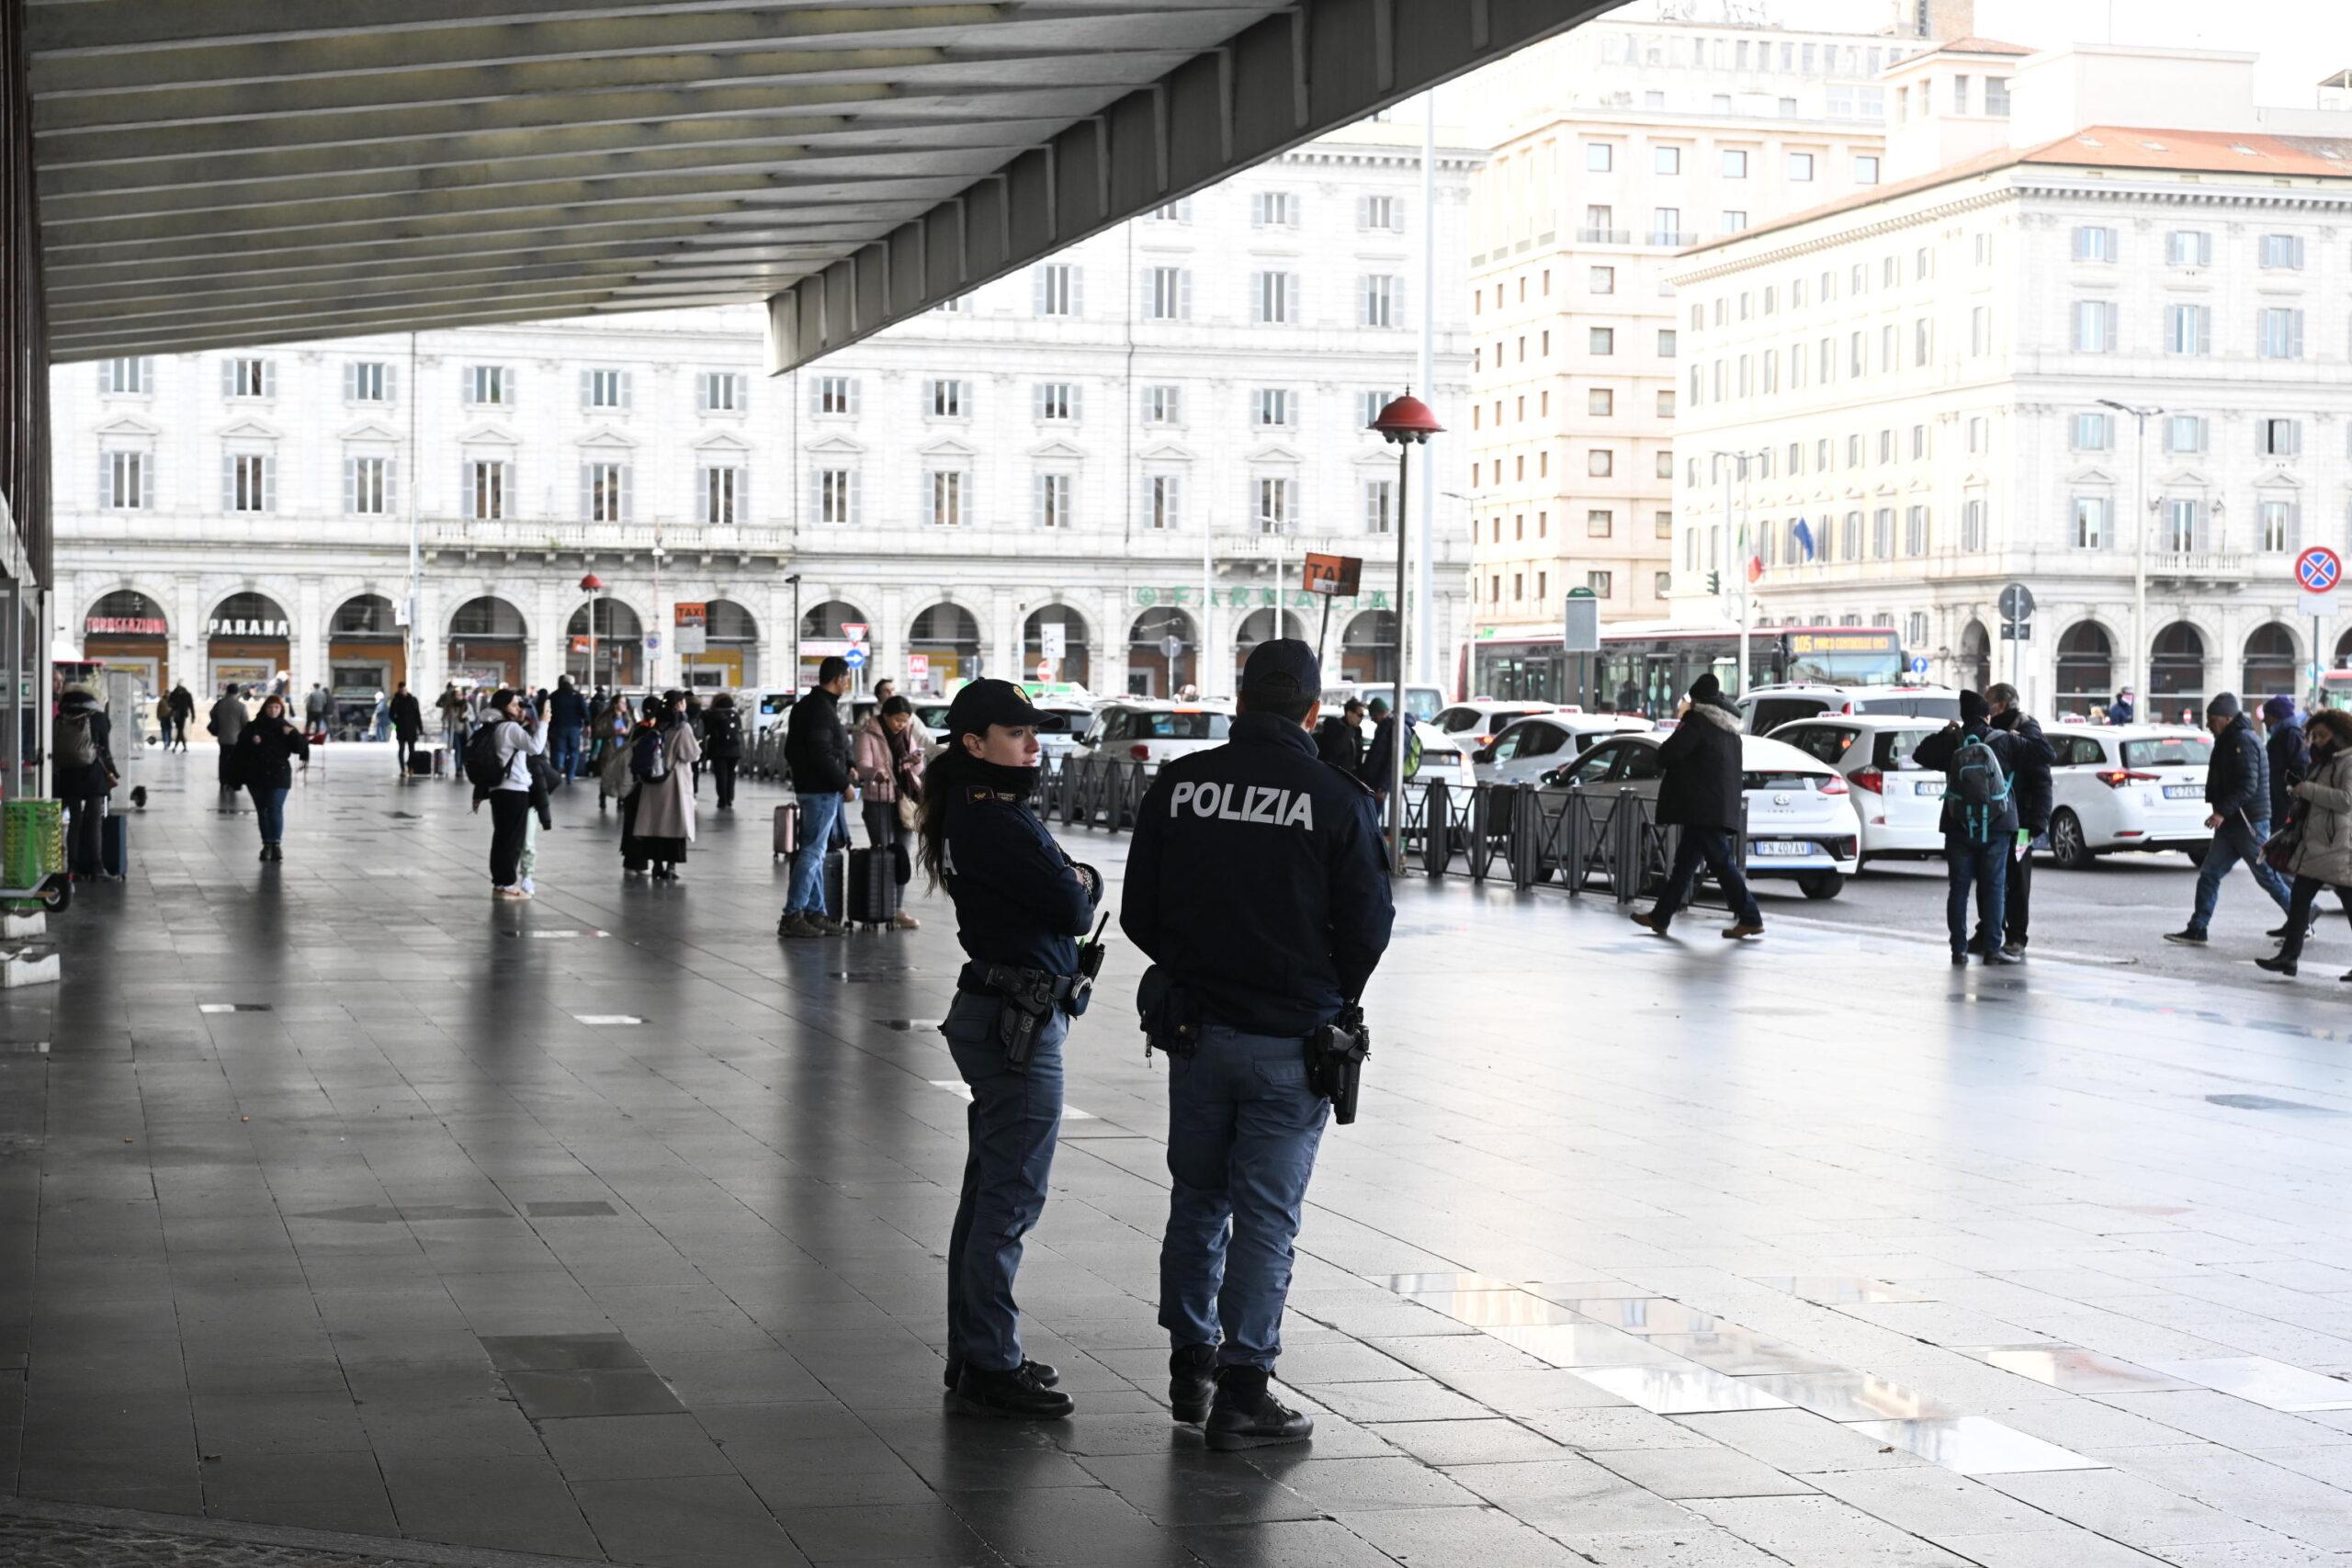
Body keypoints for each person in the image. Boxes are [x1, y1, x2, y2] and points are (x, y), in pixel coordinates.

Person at [1123, 639, 1396, 1451]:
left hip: (1195, 1031)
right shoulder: (1336, 797)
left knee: (1197, 1200)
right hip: (1291, 1041)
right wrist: (1322, 988)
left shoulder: (1180, 785)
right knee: (1266, 1219)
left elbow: (1140, 909)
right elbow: (1370, 927)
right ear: (1313, 709)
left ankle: (1189, 1362)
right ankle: (1245, 1389)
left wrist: (1198, 966)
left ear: (1240, 700)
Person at [916, 679, 1102, 1419]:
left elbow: (1066, 892)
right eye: (1017, 732)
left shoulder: (974, 809)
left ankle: (975, 1351)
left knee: (988, 1189)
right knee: (1010, 1194)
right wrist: (1078, 878)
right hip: (1017, 1019)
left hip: (996, 1008)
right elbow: (1074, 901)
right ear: (972, 742)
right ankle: (993, 1360)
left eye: (1036, 731)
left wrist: (1071, 881)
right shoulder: (997, 821)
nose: (1033, 743)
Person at [1632, 673, 1763, 940]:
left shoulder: (1696, 722)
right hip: (1716, 806)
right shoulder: (1730, 729)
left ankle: (1750, 916)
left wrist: (1684, 719)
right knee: (1684, 864)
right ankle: (1661, 916)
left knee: (1721, 862)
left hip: (1702, 807)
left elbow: (1667, 754)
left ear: (1697, 700)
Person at [1915, 690, 2040, 965]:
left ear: (1963, 716)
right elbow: (2045, 754)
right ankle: (1993, 949)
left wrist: (1945, 733)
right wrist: (2023, 732)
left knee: (1958, 888)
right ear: (1987, 715)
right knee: (1994, 887)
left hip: (1959, 825)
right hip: (1997, 825)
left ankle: (1958, 949)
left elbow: (1919, 754)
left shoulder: (1954, 741)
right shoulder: (2004, 740)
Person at [2166, 693, 2295, 946]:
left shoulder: (2242, 741)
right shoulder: (2230, 739)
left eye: (2212, 719)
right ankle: (2198, 928)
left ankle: (2302, 916)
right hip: (2233, 823)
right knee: (2209, 875)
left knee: (2266, 876)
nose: (2208, 725)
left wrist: (2221, 812)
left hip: (2248, 823)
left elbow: (2248, 784)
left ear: (2226, 718)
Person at [778, 655, 854, 939]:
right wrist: (843, 782)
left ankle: (815, 912)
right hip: (821, 790)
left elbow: (792, 751)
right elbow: (820, 751)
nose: (847, 683)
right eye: (847, 678)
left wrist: (848, 765)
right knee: (812, 853)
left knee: (816, 851)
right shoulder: (822, 710)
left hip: (810, 787)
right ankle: (792, 914)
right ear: (838, 679)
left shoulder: (806, 707)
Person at [1986, 682, 2052, 958]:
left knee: (2018, 879)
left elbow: (2043, 774)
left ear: (2001, 705)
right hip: (2001, 818)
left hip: (2023, 821)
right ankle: (1990, 930)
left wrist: (2038, 821)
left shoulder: (2026, 729)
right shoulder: (1993, 732)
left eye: (1989, 702)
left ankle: (2016, 936)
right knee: (1994, 878)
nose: (1987, 708)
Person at [853, 694, 926, 930]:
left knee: (902, 856)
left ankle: (896, 909)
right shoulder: (869, 733)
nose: (901, 724)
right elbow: (862, 765)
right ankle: (877, 907)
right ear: (885, 716)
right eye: (898, 720)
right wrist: (876, 772)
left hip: (903, 800)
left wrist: (916, 759)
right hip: (878, 800)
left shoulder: (906, 734)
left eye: (905, 720)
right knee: (883, 853)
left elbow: (918, 767)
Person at [469, 688, 543, 898]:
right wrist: (544, 721)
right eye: (514, 704)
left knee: (502, 838)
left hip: (498, 790)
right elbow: (536, 747)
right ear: (503, 707)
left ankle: (501, 882)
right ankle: (507, 884)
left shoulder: (493, 727)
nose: (519, 708)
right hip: (514, 789)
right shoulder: (510, 728)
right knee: (511, 840)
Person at [630, 692, 700, 883]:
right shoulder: (682, 727)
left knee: (655, 826)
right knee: (673, 826)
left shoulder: (658, 723)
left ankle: (657, 866)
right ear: (679, 704)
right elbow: (691, 754)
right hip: (673, 782)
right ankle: (670, 867)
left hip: (653, 782)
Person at [232, 694, 309, 862]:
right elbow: (239, 747)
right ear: (264, 708)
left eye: (276, 707)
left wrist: (292, 735)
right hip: (256, 774)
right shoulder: (253, 727)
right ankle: (266, 844)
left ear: (281, 709)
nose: (273, 710)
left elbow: (300, 748)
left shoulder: (285, 727)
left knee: (274, 807)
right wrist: (252, 741)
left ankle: (276, 844)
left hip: (279, 774)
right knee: (263, 810)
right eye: (270, 707)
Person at [54, 682, 118, 878]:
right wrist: (113, 772)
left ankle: (72, 867)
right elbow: (105, 750)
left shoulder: (60, 717)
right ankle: (97, 867)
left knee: (74, 820)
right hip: (93, 775)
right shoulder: (98, 717)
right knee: (95, 821)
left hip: (69, 774)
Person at [702, 691, 744, 811]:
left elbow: (707, 730)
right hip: (734, 750)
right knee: (731, 774)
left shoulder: (713, 715)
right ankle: (730, 798)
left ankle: (722, 800)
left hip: (718, 750)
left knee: (721, 775)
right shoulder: (735, 715)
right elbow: (739, 731)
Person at [207, 683, 248, 796]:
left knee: (223, 759)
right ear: (237, 692)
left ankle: (223, 781)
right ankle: (232, 782)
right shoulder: (241, 706)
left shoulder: (220, 704)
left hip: (223, 737)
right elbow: (245, 723)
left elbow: (211, 714)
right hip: (236, 739)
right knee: (234, 761)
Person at [548, 673, 590, 781]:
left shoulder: (554, 695)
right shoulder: (577, 695)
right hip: (574, 727)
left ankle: (558, 771)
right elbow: (585, 712)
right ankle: (570, 776)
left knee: (558, 750)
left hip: (557, 727)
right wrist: (588, 725)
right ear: (572, 683)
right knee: (574, 751)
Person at [1314, 698, 1365, 773]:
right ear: (1349, 713)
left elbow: (1358, 756)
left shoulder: (1357, 730)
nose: (1361, 719)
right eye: (1360, 715)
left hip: (1351, 775)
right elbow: (1336, 749)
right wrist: (1349, 730)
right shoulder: (1334, 724)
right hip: (1333, 773)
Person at [389, 682, 424, 776]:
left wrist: (420, 728)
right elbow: (391, 714)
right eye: (401, 690)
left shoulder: (413, 700)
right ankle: (402, 769)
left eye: (404, 690)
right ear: (399, 690)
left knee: (412, 750)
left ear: (406, 689)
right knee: (401, 749)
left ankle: (410, 767)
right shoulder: (396, 700)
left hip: (412, 729)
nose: (403, 692)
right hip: (401, 729)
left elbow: (417, 715)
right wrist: (396, 721)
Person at [166, 682, 194, 750]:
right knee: (180, 730)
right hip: (181, 715)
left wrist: (174, 706)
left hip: (177, 715)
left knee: (180, 730)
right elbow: (191, 706)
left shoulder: (174, 694)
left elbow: (169, 703)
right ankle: (181, 747)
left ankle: (178, 747)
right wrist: (193, 716)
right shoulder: (186, 694)